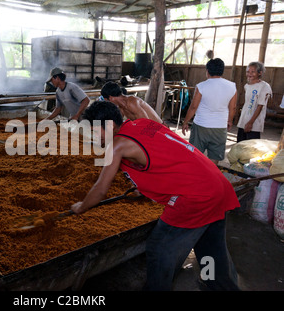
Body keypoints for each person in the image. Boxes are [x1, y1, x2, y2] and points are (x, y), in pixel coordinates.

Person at [71, 100, 240, 291]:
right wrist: (143, 189)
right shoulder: (141, 124)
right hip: (216, 184)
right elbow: (162, 155)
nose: (93, 136)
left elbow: (101, 190)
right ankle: (221, 286)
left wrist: (81, 206)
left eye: (94, 131)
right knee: (210, 247)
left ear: (109, 126)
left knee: (160, 247)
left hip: (195, 197)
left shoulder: (117, 145)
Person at [181, 58, 237, 165]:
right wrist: (229, 121)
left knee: (195, 153)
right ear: (222, 70)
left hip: (201, 125)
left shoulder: (201, 86)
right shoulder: (232, 86)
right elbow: (233, 108)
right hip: (220, 127)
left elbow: (193, 107)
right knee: (214, 156)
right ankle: (211, 178)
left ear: (207, 71)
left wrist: (185, 122)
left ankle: (195, 176)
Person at [236, 61, 272, 142]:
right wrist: (245, 121)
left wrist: (250, 123)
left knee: (251, 147)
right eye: (248, 71)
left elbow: (260, 106)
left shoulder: (264, 86)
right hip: (243, 121)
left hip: (254, 124)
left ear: (260, 73)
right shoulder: (247, 86)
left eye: (253, 72)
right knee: (240, 145)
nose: (250, 74)